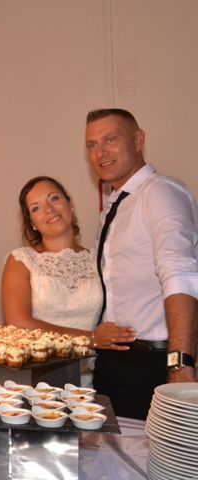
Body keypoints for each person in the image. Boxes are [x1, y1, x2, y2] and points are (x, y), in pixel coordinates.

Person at [85, 108, 198, 420]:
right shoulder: (115, 205)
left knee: (159, 467)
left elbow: (181, 273)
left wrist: (180, 364)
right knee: (110, 466)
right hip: (113, 364)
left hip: (153, 364)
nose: (100, 152)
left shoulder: (160, 192)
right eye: (91, 145)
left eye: (110, 139)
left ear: (138, 140)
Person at [1, 176, 135, 385]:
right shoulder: (20, 261)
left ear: (70, 205)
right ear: (32, 224)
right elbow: (19, 323)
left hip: (87, 377)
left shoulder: (99, 259)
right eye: (36, 208)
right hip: (36, 377)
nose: (48, 209)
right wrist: (89, 338)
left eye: (54, 198)